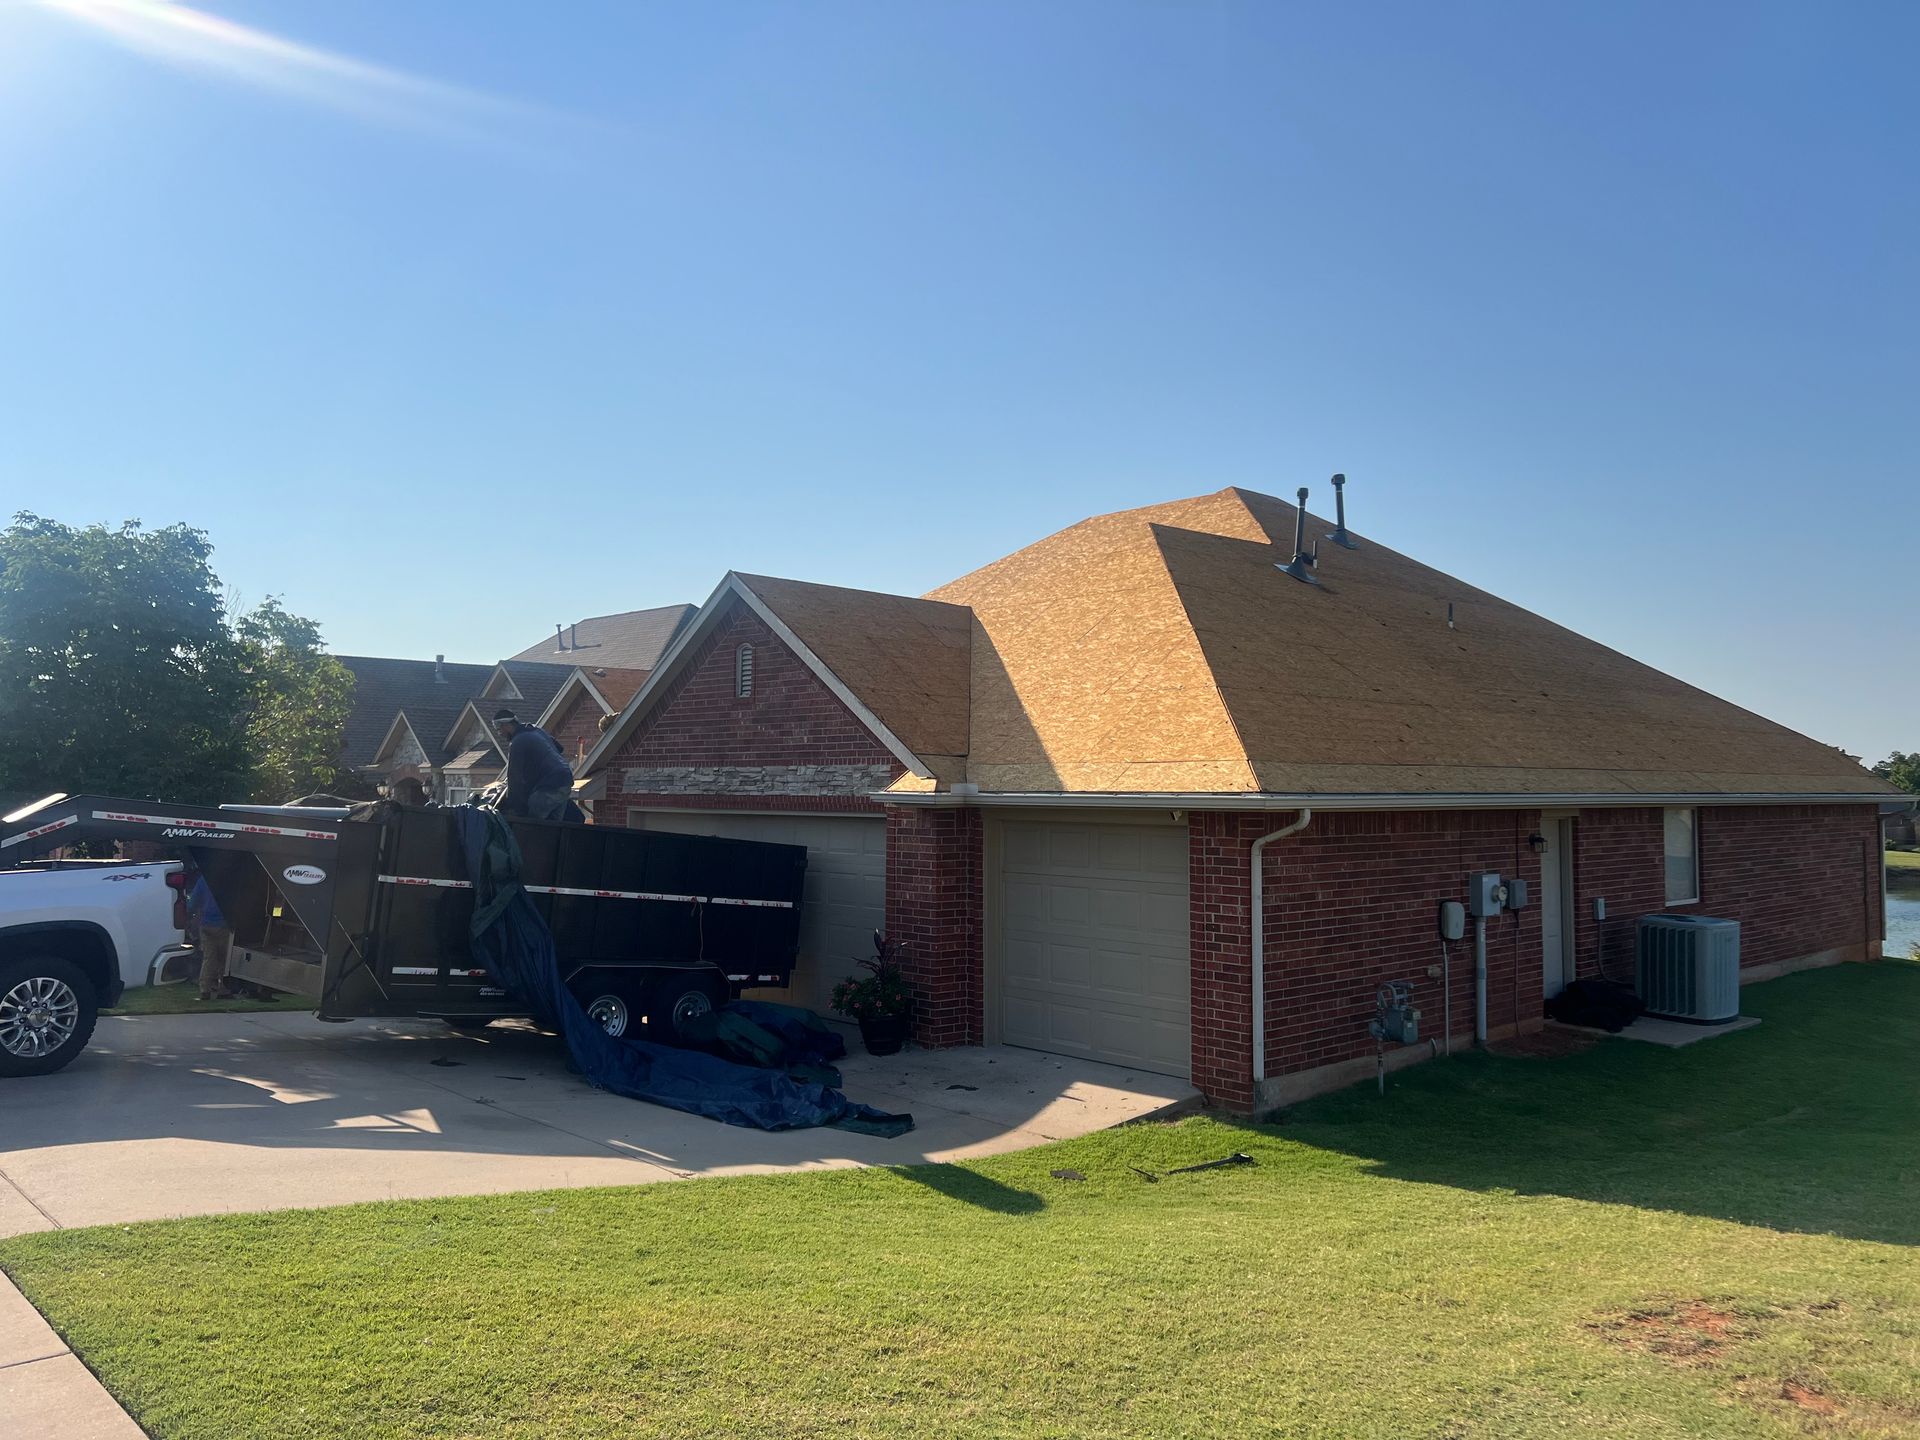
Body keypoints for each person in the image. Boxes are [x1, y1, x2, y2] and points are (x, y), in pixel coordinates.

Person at [492, 708, 583, 822]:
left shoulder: (518, 742)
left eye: (498, 729)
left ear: (506, 726)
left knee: (532, 824)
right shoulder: (536, 730)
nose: (499, 734)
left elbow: (515, 779)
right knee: (555, 827)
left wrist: (512, 808)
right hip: (565, 780)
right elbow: (559, 748)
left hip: (549, 787)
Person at [188, 873, 233, 1002]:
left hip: (206, 924)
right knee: (224, 959)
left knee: (208, 958)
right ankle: (222, 987)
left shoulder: (203, 879)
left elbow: (192, 903)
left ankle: (204, 989)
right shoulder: (227, 880)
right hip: (224, 924)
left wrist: (190, 917)